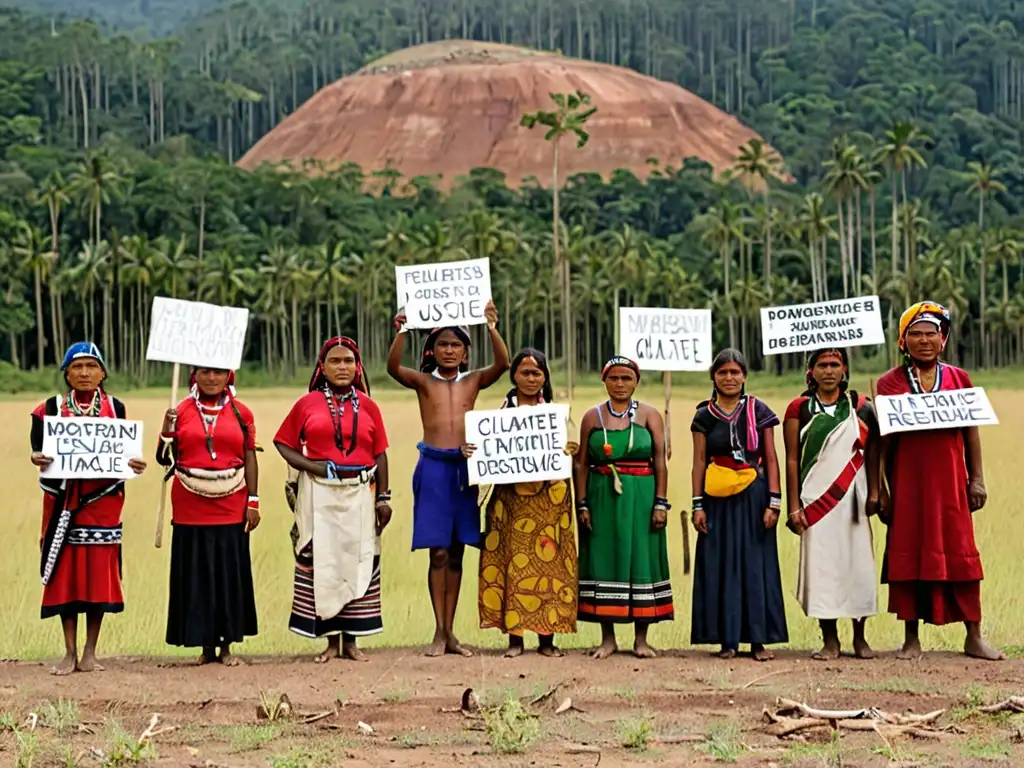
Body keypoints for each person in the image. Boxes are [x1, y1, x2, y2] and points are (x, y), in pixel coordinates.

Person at [877, 301, 1004, 661]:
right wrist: (881, 490)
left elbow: (970, 433)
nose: (923, 341)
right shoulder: (890, 383)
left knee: (961, 551)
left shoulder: (959, 378)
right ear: (903, 341)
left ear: (943, 339)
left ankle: (974, 635)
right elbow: (882, 443)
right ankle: (911, 639)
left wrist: (976, 479)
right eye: (915, 334)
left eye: (930, 334)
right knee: (909, 553)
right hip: (908, 485)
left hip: (951, 483)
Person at [387, 301, 510, 657]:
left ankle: (452, 632)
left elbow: (502, 364)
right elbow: (393, 367)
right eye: (443, 344)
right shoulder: (423, 382)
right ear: (432, 349)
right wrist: (403, 330)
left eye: (456, 345)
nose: (450, 350)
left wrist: (490, 326)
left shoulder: (473, 381)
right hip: (434, 469)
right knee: (437, 552)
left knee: (456, 553)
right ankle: (438, 632)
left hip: (464, 471)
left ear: (466, 352)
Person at [29, 342, 147, 675]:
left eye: (91, 366)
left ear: (103, 373)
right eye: (77, 366)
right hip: (63, 504)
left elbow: (125, 455)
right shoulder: (47, 410)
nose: (84, 373)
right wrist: (36, 457)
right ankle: (68, 652)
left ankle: (91, 652)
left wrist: (134, 465)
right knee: (66, 575)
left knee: (97, 575)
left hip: (104, 504)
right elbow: (37, 452)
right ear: (66, 372)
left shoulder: (116, 408)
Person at [274, 337, 392, 663]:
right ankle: (328, 641)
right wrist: (311, 465)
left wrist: (384, 498)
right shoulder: (307, 404)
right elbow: (283, 443)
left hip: (359, 493)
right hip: (318, 491)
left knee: (357, 559)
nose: (342, 367)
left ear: (358, 367)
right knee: (322, 561)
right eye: (335, 362)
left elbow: (380, 454)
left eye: (348, 362)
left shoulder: (369, 406)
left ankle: (351, 641)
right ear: (322, 368)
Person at [467, 348, 579, 657]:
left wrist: (570, 449)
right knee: (512, 562)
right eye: (525, 372)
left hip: (550, 502)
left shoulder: (556, 415)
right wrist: (473, 452)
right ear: (514, 376)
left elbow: (568, 455)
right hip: (510, 501)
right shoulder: (499, 417)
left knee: (550, 565)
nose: (531, 378)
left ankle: (547, 640)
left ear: (545, 378)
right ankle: (515, 641)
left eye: (537, 373)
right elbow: (486, 454)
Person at [156, 367, 260, 666]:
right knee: (196, 577)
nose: (212, 379)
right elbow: (163, 458)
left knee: (228, 576)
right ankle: (205, 647)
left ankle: (227, 647)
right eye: (205, 372)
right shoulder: (181, 411)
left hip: (231, 505)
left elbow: (249, 455)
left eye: (218, 373)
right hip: (190, 506)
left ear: (229, 377)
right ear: (194, 376)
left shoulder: (242, 413)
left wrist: (253, 500)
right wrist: (167, 429)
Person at [690, 348, 786, 662]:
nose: (729, 378)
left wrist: (774, 501)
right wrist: (697, 506)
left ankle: (758, 640)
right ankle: (727, 640)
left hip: (754, 496)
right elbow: (699, 462)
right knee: (721, 564)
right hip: (717, 499)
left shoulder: (759, 411)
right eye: (723, 373)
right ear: (713, 377)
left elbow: (771, 458)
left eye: (735, 372)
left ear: (744, 376)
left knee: (755, 563)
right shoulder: (704, 415)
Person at [783, 348, 879, 660]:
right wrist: (794, 505)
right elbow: (792, 459)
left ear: (844, 368)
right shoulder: (800, 409)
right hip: (816, 502)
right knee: (824, 569)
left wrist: (877, 492)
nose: (828, 371)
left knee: (858, 565)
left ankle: (860, 638)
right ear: (810, 371)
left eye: (834, 364)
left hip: (854, 497)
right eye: (821, 365)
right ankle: (830, 640)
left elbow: (876, 452)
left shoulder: (862, 407)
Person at [575, 356, 673, 660]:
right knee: (604, 558)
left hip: (642, 496)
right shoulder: (592, 417)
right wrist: (582, 504)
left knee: (641, 558)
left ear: (636, 381)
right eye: (614, 378)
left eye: (626, 378)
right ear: (604, 381)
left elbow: (660, 460)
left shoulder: (649, 415)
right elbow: (581, 463)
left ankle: (641, 639)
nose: (620, 384)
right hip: (602, 495)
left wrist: (660, 502)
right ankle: (608, 639)